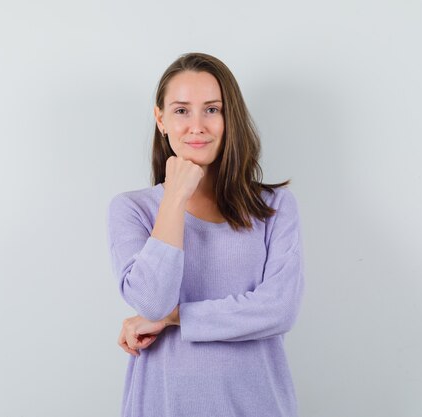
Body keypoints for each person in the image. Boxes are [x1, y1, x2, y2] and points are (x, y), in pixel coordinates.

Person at [106, 52, 305, 417]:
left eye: (212, 109)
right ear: (160, 119)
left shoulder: (275, 206)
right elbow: (151, 301)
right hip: (163, 405)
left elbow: (279, 309)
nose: (197, 125)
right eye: (181, 110)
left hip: (257, 404)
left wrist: (174, 318)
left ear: (230, 119)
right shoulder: (132, 209)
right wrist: (175, 197)